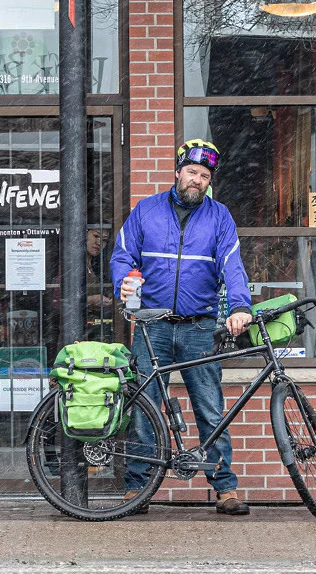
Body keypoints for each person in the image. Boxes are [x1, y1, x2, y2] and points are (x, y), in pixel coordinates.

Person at [109, 138, 255, 515]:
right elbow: (123, 254)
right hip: (151, 326)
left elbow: (232, 266)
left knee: (209, 408)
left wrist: (239, 306)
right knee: (145, 408)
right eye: (191, 172)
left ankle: (225, 488)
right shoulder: (146, 211)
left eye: (204, 176)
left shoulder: (219, 216)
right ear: (177, 172)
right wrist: (123, 280)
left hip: (199, 327)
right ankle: (137, 489)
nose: (197, 180)